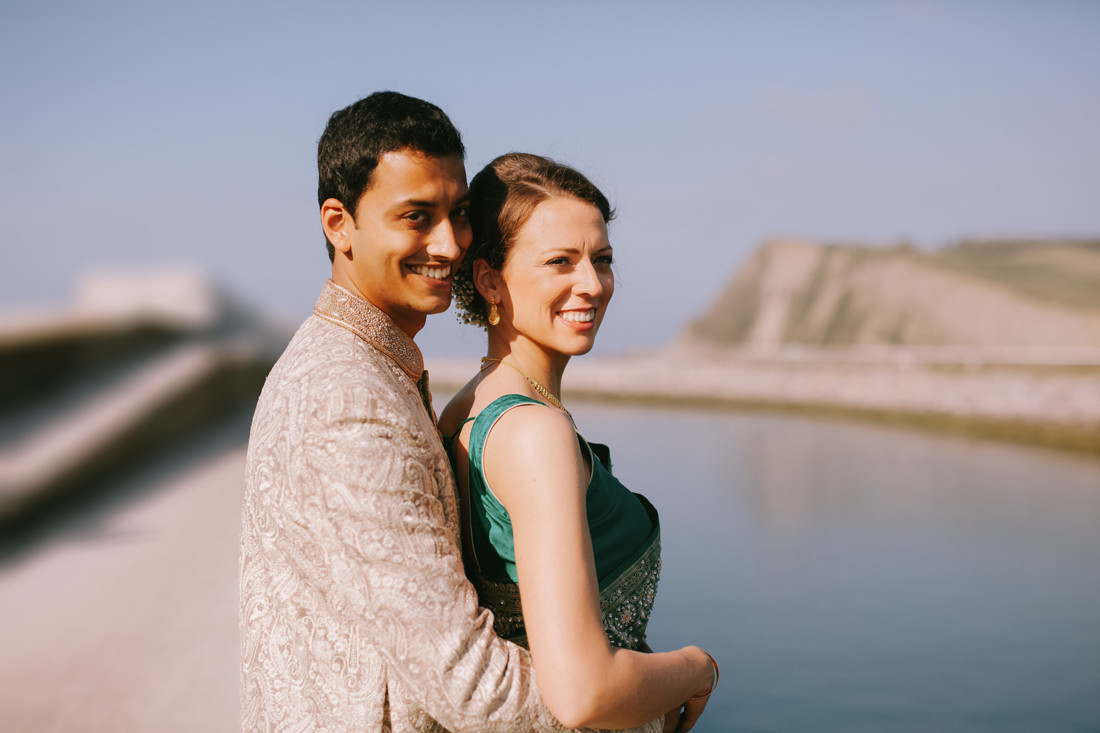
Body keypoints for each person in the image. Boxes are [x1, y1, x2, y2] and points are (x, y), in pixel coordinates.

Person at [240, 92, 653, 731]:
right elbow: (471, 685)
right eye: (416, 216)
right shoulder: (349, 400)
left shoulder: (372, 369)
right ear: (338, 224)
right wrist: (657, 689)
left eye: (458, 214)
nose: (449, 244)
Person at [439, 153, 719, 733]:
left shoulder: (466, 407)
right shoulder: (534, 432)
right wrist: (698, 668)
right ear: (489, 280)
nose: (592, 284)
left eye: (602, 259)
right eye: (560, 261)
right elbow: (583, 693)